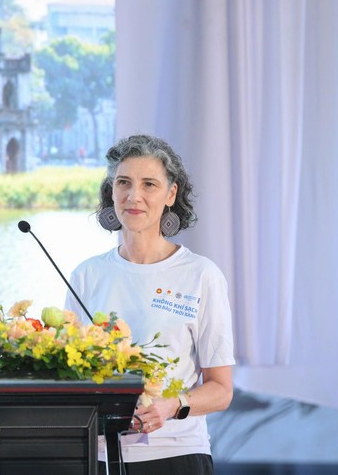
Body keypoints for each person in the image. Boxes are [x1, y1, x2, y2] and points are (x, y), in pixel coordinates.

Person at [64, 135, 235, 475]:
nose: (134, 196)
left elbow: (221, 390)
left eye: (149, 184)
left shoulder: (201, 275)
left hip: (177, 455)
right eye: (123, 183)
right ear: (111, 190)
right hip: (98, 456)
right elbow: (70, 375)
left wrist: (173, 405)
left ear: (171, 194)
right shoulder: (86, 275)